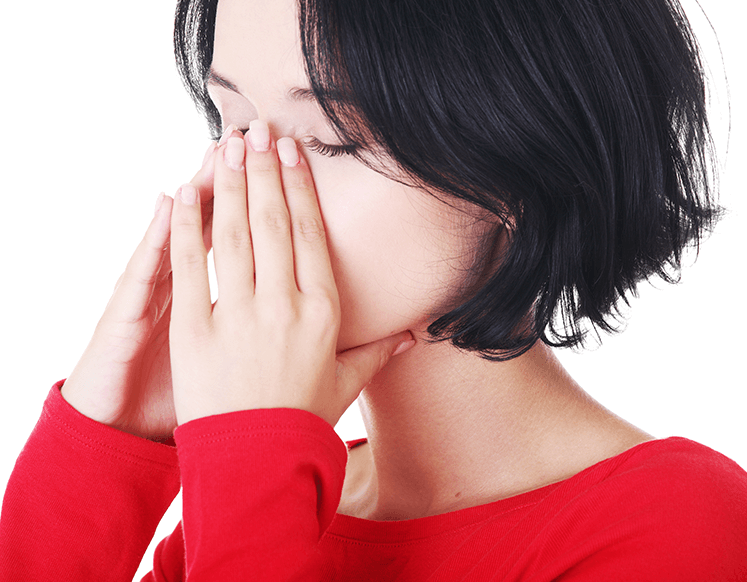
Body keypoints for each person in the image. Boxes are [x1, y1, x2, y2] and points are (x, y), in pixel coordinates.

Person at [1, 0, 746, 579]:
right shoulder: (255, 499)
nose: (247, 184)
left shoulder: (678, 527)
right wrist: (105, 451)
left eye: (329, 137)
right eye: (234, 123)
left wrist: (251, 465)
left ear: (523, 163)